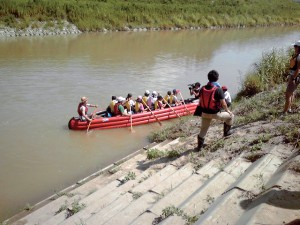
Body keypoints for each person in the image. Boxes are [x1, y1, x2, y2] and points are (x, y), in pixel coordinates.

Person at [196, 70, 234, 151]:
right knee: (231, 116)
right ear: (217, 78)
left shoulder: (202, 88)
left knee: (203, 129)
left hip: (204, 113)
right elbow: (223, 103)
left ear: (208, 78)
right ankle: (226, 133)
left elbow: (200, 100)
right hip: (215, 113)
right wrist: (228, 111)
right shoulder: (218, 89)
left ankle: (199, 147)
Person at [283, 40, 300, 114]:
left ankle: (284, 112)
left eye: (295, 46)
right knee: (291, 93)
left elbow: (298, 69)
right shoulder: (297, 55)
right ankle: (289, 109)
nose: (294, 47)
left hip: (295, 77)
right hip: (294, 76)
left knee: (288, 94)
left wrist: (293, 78)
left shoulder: (299, 56)